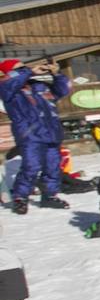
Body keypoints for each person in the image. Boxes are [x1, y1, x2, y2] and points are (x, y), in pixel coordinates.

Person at [0, 58, 71, 213]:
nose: (24, 69)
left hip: (51, 132)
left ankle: (49, 195)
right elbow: (10, 82)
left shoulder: (39, 86)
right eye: (19, 69)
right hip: (30, 134)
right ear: (9, 73)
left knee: (53, 166)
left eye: (24, 67)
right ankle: (20, 197)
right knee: (31, 166)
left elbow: (63, 90)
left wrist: (57, 74)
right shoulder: (8, 89)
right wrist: (29, 71)